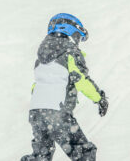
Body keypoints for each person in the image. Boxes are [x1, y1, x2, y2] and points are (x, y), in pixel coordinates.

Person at [21, 13, 108, 161]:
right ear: (70, 31)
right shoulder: (70, 52)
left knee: (42, 155)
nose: (78, 41)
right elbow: (81, 80)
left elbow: (36, 87)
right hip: (57, 113)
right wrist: (99, 98)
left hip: (36, 112)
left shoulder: (41, 57)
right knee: (82, 152)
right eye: (78, 36)